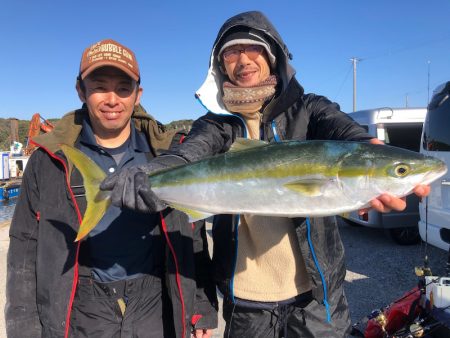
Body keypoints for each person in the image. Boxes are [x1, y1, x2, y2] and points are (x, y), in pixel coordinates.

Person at [102, 12, 430, 338]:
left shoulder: (309, 110)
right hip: (247, 303)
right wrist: (154, 173)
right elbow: (188, 154)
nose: (243, 59)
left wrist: (368, 147)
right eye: (231, 52)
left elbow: (344, 130)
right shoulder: (216, 126)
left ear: (272, 56)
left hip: (316, 298)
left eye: (254, 48)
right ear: (220, 66)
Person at [5, 38, 217, 338]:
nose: (112, 99)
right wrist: (23, 328)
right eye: (100, 86)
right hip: (82, 307)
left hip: (155, 304)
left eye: (123, 88)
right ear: (81, 90)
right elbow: (24, 248)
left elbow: (192, 233)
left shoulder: (169, 156)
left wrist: (201, 308)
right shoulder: (49, 161)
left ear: (137, 94)